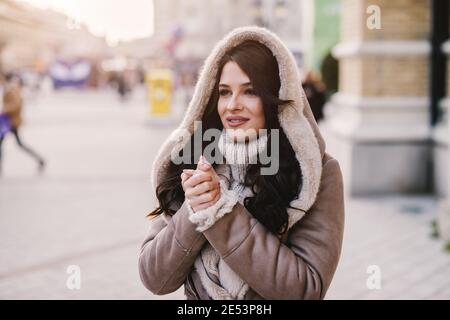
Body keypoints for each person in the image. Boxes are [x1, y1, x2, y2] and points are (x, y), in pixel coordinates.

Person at [138, 26, 344, 300]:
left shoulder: (315, 173)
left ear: (275, 98)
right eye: (224, 92)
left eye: (250, 91)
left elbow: (305, 290)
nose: (232, 105)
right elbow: (155, 279)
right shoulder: (193, 159)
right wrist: (195, 208)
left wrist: (220, 212)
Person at [0, 73, 45, 174]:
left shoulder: (11, 89)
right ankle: (40, 160)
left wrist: (4, 110)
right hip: (9, 122)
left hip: (11, 123)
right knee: (18, 144)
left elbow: (15, 104)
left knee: (15, 144)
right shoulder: (10, 88)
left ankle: (40, 159)